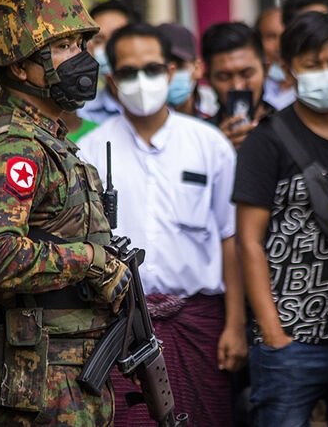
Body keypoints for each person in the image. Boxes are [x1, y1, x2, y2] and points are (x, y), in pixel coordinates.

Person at [0, 0, 132, 426]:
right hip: (38, 383)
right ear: (20, 66)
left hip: (61, 374)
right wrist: (90, 260)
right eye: (63, 46)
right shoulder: (14, 146)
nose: (82, 58)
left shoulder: (46, 139)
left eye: (81, 44)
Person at [78, 23, 247, 426]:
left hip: (199, 323)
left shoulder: (210, 145)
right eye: (129, 71)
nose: (142, 81)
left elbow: (231, 238)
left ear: (171, 72)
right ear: (112, 81)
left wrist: (236, 325)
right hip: (119, 326)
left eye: (152, 69)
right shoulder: (87, 151)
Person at [234, 11, 328, 427]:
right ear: (290, 69)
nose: (326, 73)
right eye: (312, 64)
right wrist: (274, 334)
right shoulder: (267, 139)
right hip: (293, 340)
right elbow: (248, 241)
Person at [201, 22, 275, 149]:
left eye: (247, 74)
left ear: (266, 70)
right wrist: (215, 150)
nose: (237, 86)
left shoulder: (291, 129)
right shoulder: (200, 139)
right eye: (223, 77)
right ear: (209, 79)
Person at [79, 0, 138, 124]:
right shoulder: (81, 116)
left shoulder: (165, 105)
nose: (108, 48)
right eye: (99, 40)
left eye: (117, 37)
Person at [157, 22, 219, 118]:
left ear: (198, 67)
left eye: (179, 65)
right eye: (163, 67)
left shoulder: (215, 108)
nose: (171, 73)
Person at [255, 7, 296, 110]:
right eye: (271, 36)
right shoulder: (250, 86)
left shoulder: (310, 86)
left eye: (286, 36)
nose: (280, 45)